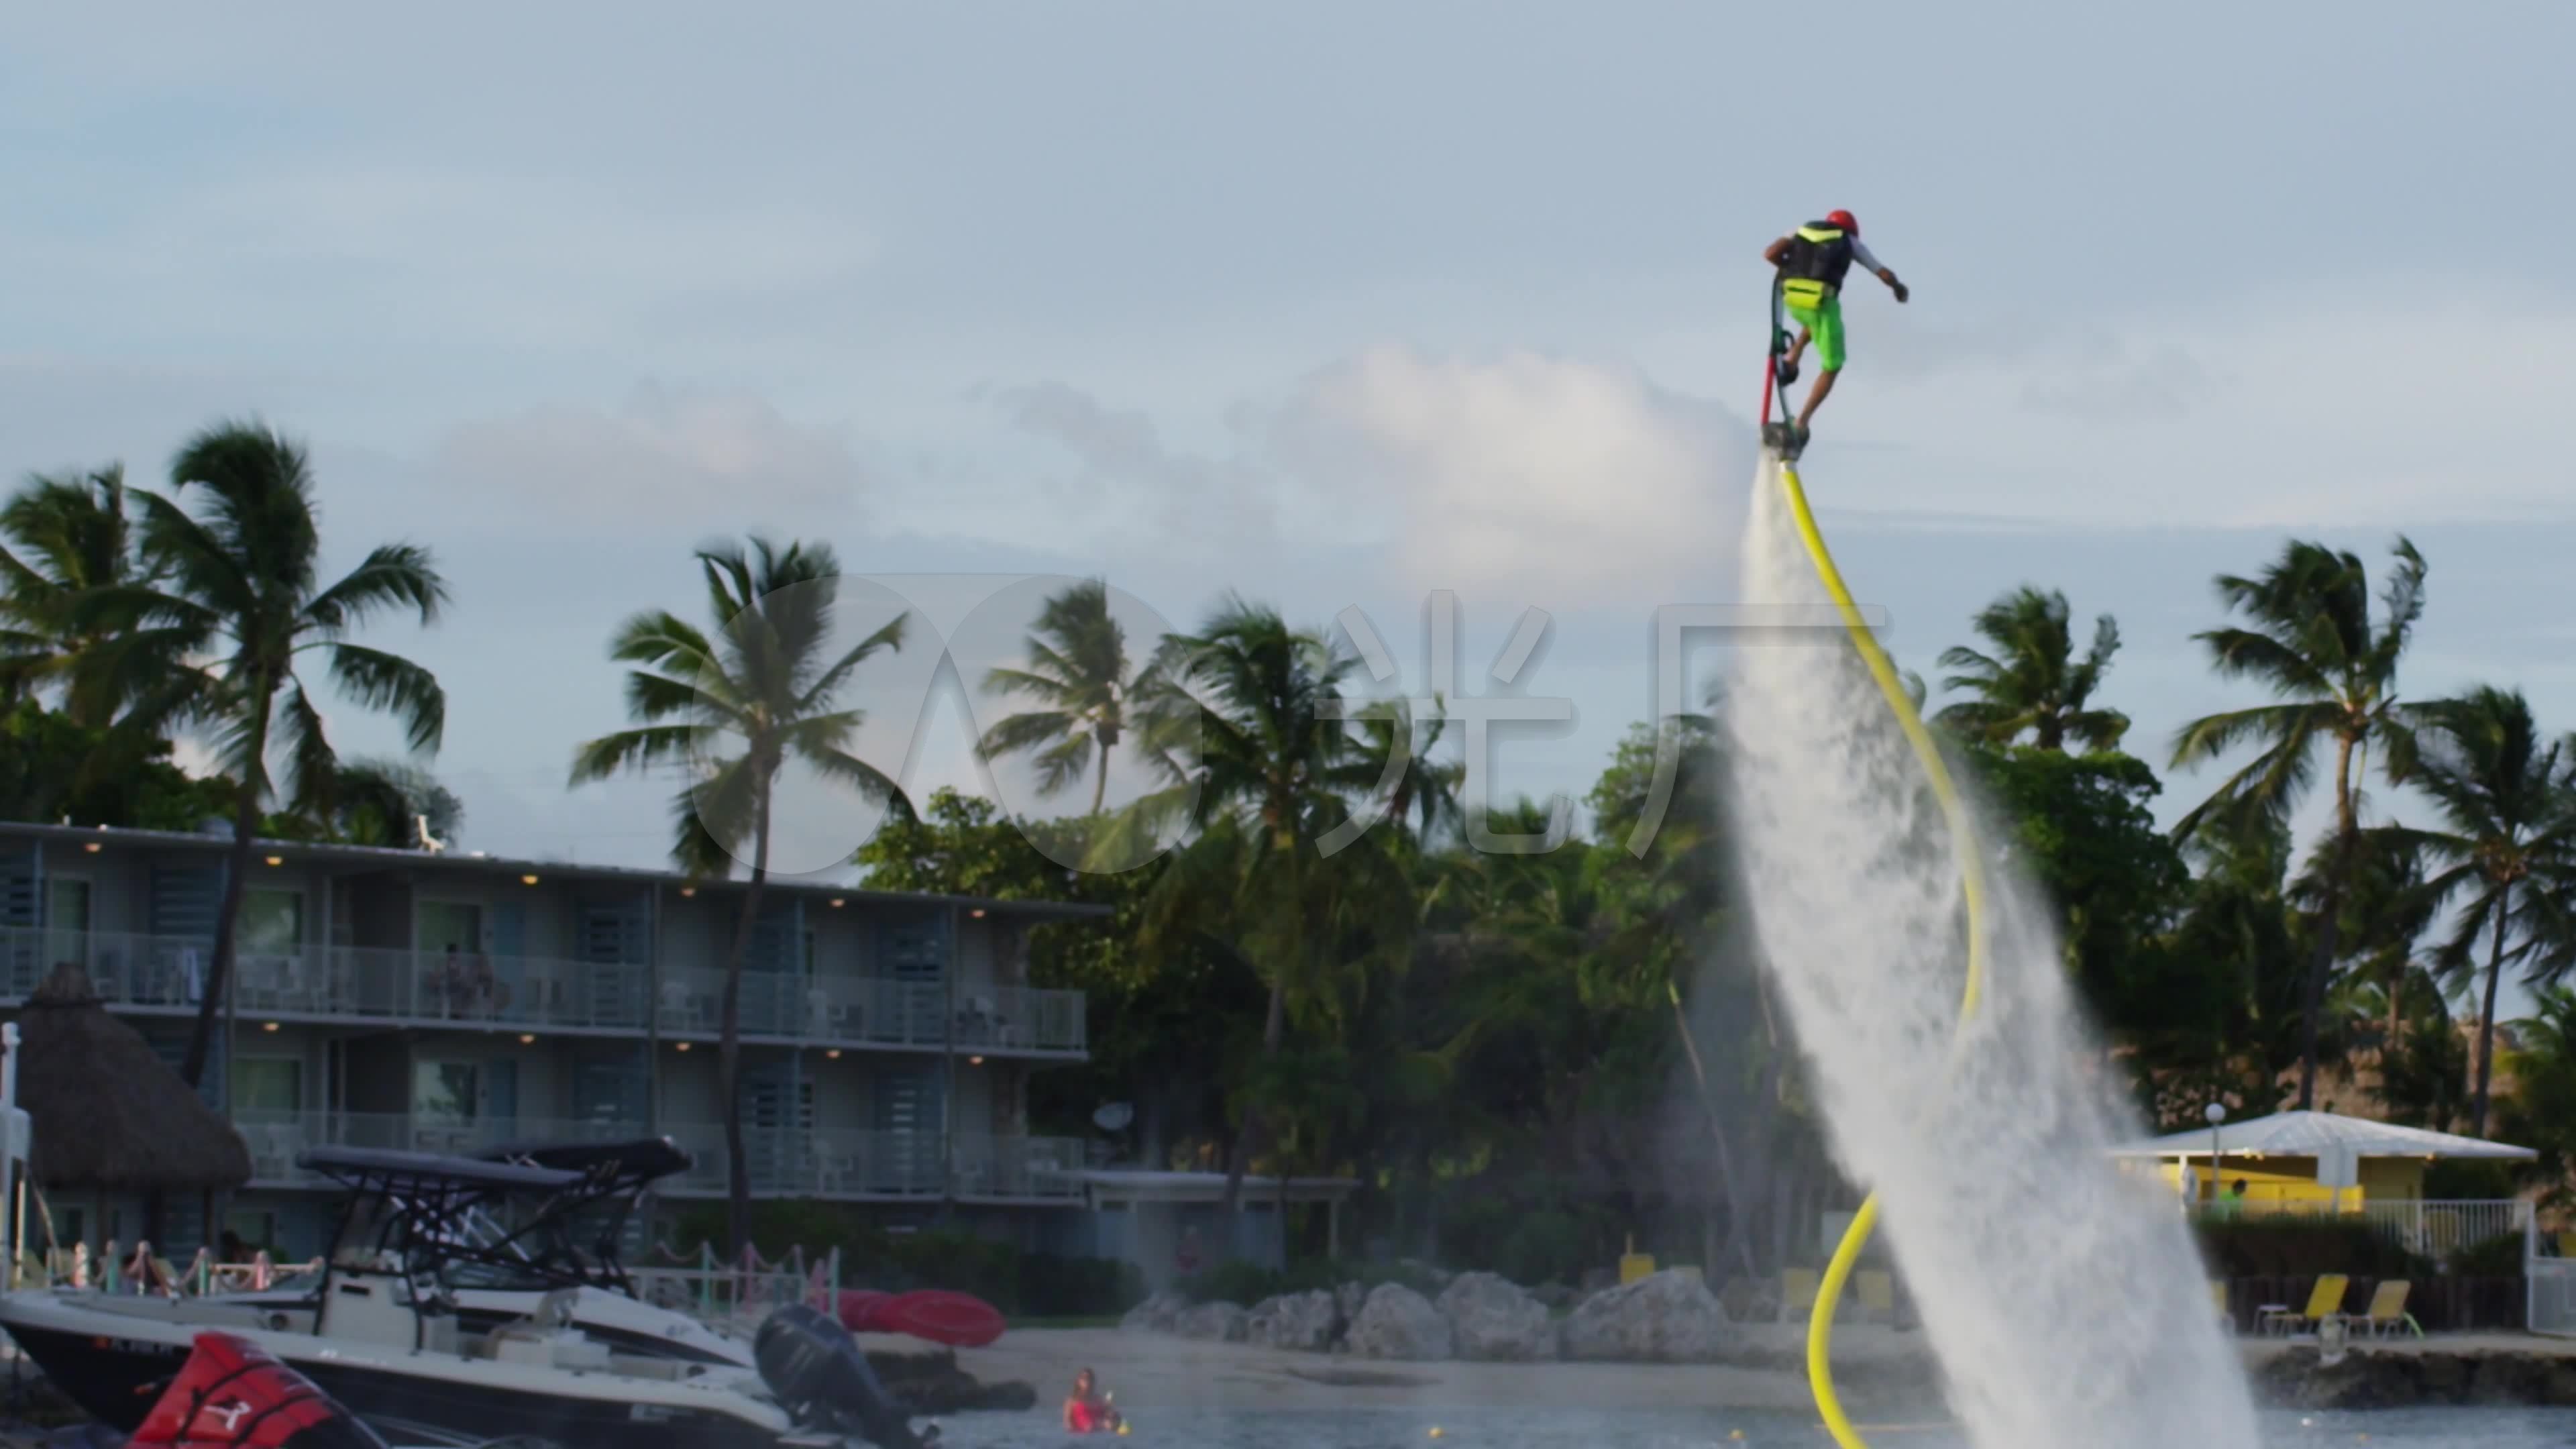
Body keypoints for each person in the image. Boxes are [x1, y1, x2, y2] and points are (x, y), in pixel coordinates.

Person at [1762, 209, 1908, 453]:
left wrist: (1788, 269)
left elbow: (1770, 254)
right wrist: (1898, 288)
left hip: (1793, 300)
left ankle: (1791, 359)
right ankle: (1802, 422)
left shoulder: (1801, 230)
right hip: (1823, 303)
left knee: (1812, 322)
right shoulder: (1849, 241)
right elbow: (1882, 272)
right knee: (1832, 365)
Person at [1063, 1368, 1122, 1434]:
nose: (1087, 1381)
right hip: (1082, 1435)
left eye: (1090, 1378)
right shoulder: (1072, 1401)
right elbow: (1067, 1423)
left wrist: (1112, 1413)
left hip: (1100, 1433)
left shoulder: (1099, 1400)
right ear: (1078, 1381)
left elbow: (1112, 1416)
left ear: (1093, 1382)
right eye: (1084, 1378)